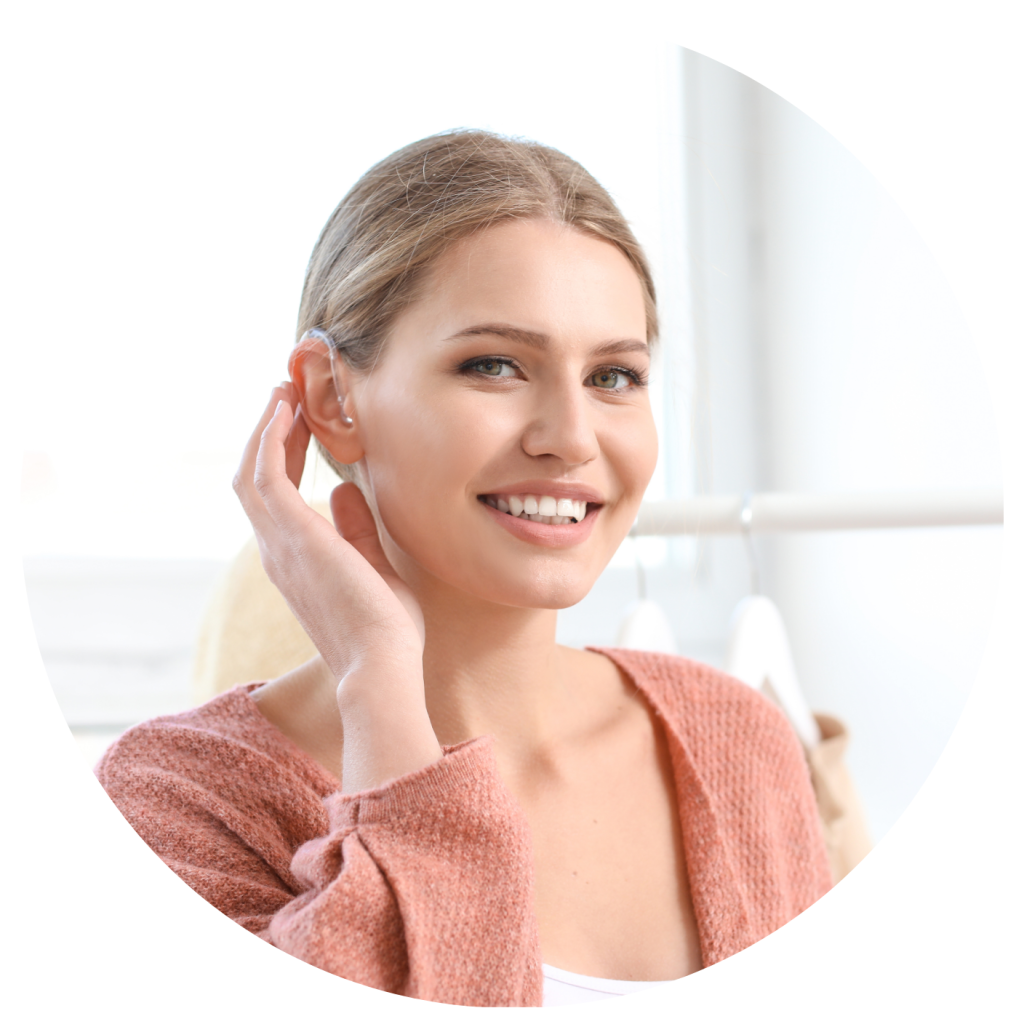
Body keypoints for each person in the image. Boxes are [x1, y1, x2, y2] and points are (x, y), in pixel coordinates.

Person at [96, 129, 832, 1007]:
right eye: (493, 365)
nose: (569, 435)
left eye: (614, 377)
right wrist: (377, 686)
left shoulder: (738, 741)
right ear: (333, 398)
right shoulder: (174, 800)